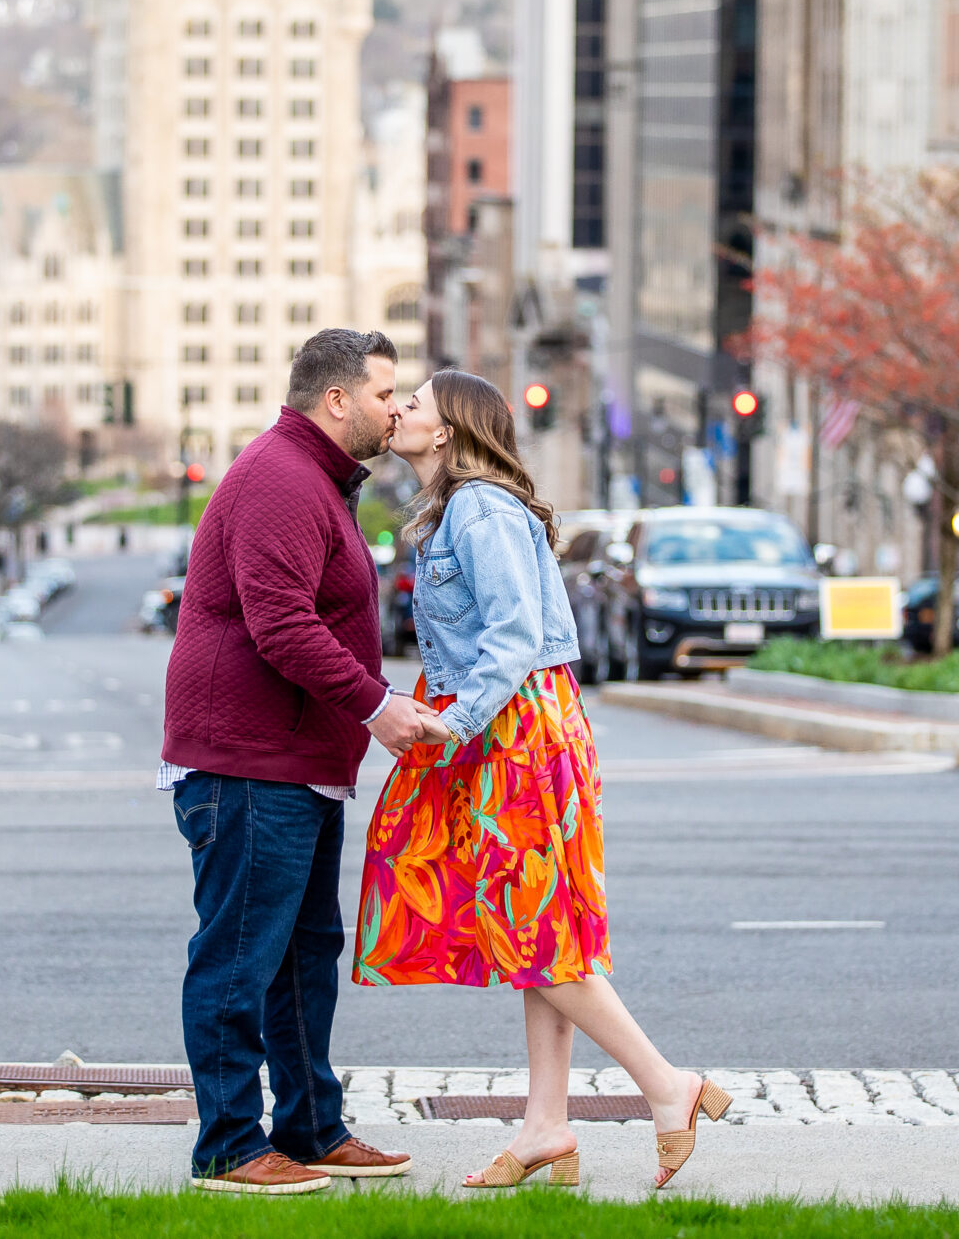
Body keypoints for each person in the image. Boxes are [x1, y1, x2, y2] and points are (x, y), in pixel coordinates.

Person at [355, 370, 731, 1192]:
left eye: (413, 402)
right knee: (542, 930)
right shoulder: (458, 508)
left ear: (449, 428)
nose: (398, 411)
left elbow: (515, 634)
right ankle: (546, 1125)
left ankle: (669, 1087)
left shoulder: (480, 508)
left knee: (535, 932)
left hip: (517, 731)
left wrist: (451, 724)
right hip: (519, 725)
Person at [158, 328, 454, 1195]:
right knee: (241, 955)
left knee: (302, 955)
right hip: (249, 764)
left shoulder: (313, 479)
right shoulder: (282, 478)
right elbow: (282, 622)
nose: (395, 408)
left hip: (293, 763)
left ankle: (312, 1126)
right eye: (382, 393)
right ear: (335, 400)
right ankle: (227, 1146)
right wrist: (376, 707)